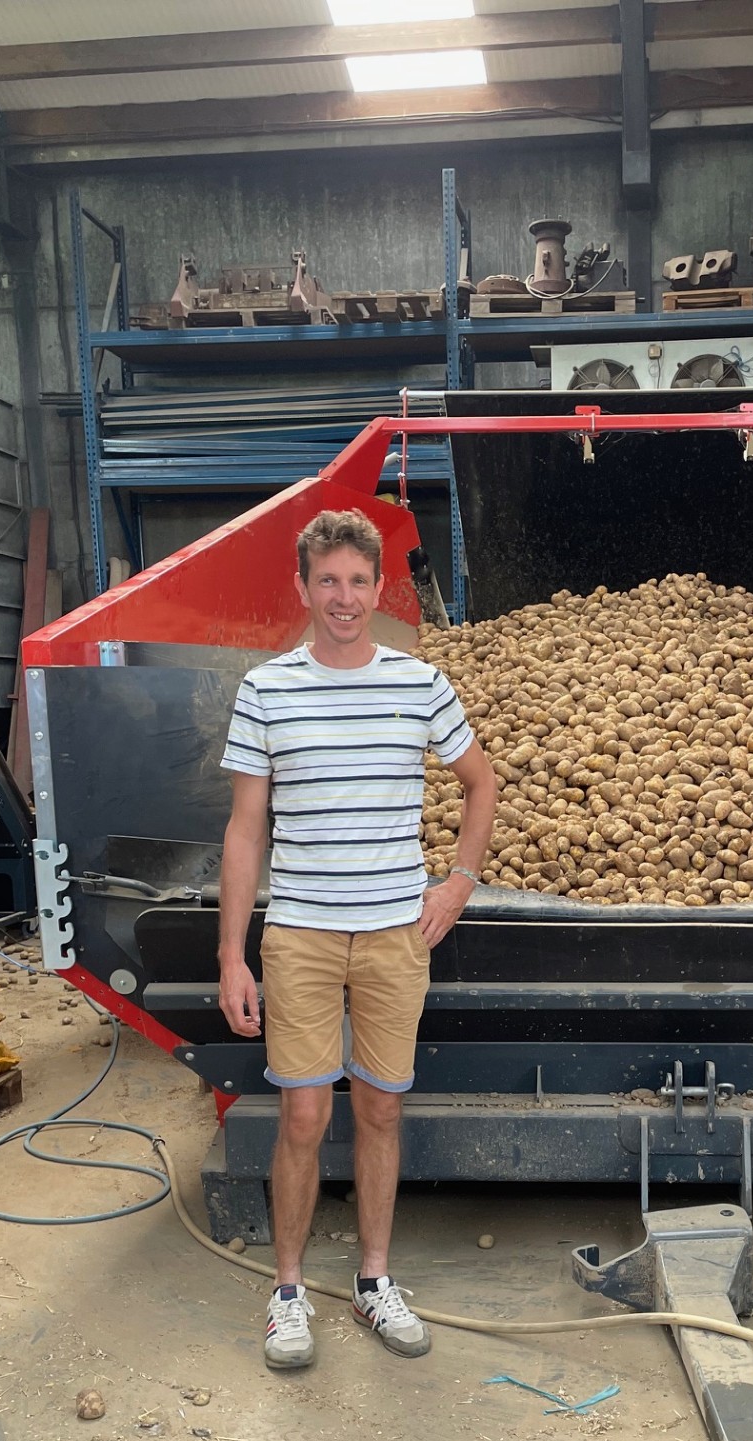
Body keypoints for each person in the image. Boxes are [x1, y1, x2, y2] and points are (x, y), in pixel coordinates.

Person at [217, 508, 495, 1370]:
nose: (344, 597)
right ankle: (288, 1293)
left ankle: (374, 1281)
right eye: (328, 581)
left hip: (392, 936)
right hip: (300, 934)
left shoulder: (421, 684)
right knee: (303, 1114)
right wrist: (231, 954)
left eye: (359, 582)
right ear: (303, 588)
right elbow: (245, 830)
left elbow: (481, 784)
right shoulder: (267, 689)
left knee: (380, 1107)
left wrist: (459, 881)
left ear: (381, 590)